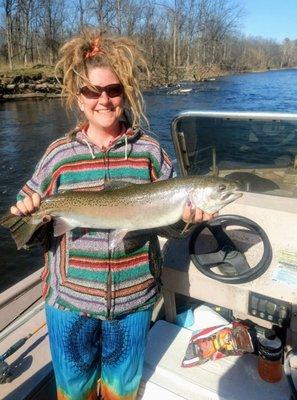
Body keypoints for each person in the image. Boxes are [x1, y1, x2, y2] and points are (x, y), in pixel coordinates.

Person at [10, 29, 216, 400]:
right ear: (78, 97)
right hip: (69, 302)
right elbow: (30, 225)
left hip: (134, 302)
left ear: (126, 94)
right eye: (92, 91)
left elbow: (171, 226)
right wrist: (28, 213)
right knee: (73, 392)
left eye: (113, 90)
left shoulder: (151, 152)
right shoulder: (58, 154)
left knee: (122, 391)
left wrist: (187, 220)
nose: (103, 99)